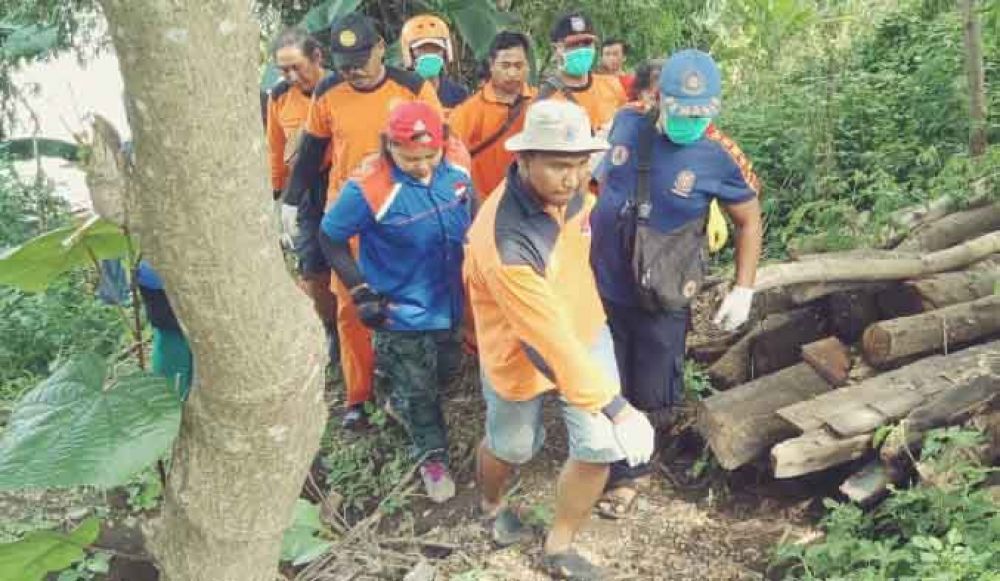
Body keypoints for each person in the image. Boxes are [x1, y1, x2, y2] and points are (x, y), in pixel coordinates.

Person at [465, 99, 654, 579]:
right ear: (523, 160)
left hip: (583, 327)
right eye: (556, 166)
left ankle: (560, 545)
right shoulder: (505, 242)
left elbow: (590, 226)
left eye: (578, 164)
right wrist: (618, 408)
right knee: (513, 446)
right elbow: (544, 340)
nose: (570, 179)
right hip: (518, 348)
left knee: (598, 447)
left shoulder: (573, 195)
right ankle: (489, 503)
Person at [589, 50, 763, 518]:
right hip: (605, 280)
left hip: (665, 286)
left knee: (654, 377)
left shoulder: (717, 153)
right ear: (658, 98)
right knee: (607, 372)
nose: (690, 121)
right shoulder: (626, 125)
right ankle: (605, 455)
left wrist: (743, 287)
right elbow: (591, 181)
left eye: (700, 113)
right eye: (682, 110)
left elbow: (748, 219)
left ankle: (632, 474)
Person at [285, 13, 443, 429]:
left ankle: (413, 389)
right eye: (344, 61)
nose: (353, 69)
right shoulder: (328, 91)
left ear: (379, 49)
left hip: (403, 214)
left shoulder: (412, 88)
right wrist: (288, 202)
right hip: (348, 216)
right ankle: (358, 396)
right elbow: (311, 152)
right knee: (350, 307)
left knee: (405, 302)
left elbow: (444, 146)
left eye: (360, 58)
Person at [318, 101, 473, 502]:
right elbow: (330, 238)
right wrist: (359, 290)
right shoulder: (367, 189)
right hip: (400, 312)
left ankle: (398, 400)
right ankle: (432, 456)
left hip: (448, 303)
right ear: (390, 147)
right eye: (410, 158)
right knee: (422, 392)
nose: (422, 166)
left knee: (445, 371)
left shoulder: (456, 173)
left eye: (429, 155)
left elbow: (473, 217)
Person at [266, 27, 340, 377]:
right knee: (312, 265)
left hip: (344, 181)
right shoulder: (279, 97)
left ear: (317, 58)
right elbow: (276, 149)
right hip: (304, 190)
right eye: (284, 70)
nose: (292, 76)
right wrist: (279, 199)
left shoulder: (342, 86)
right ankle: (332, 329)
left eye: (297, 67)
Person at [450, 31, 536, 199]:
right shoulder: (470, 111)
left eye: (518, 66)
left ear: (527, 66)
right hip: (484, 206)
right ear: (491, 64)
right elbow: (450, 162)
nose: (512, 73)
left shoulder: (540, 104)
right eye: (505, 65)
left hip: (531, 206)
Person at [537, 12, 626, 137]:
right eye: (573, 44)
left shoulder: (612, 85)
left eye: (587, 43)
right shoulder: (544, 100)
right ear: (556, 49)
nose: (582, 50)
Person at [400, 14, 469, 111]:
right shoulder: (400, 94)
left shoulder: (459, 94)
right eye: (422, 49)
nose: (429, 54)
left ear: (446, 53)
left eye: (435, 49)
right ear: (410, 54)